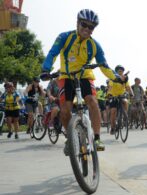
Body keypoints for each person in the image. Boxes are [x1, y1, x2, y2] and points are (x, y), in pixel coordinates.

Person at [41, 9, 125, 154]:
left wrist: (115, 77)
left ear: (93, 30)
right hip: (66, 77)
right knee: (65, 109)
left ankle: (97, 138)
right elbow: (52, 53)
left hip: (85, 76)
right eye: (84, 24)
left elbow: (104, 65)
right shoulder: (65, 37)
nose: (86, 28)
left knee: (92, 101)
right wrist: (46, 69)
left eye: (90, 27)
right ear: (77, 23)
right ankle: (70, 139)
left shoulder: (94, 45)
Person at [107, 65, 133, 135]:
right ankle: (112, 128)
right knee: (113, 111)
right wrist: (109, 94)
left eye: (122, 71)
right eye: (119, 71)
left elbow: (128, 87)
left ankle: (124, 115)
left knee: (125, 101)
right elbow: (110, 87)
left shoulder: (125, 79)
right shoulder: (113, 78)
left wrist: (131, 94)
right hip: (114, 96)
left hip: (121, 95)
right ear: (116, 72)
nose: (121, 72)